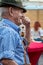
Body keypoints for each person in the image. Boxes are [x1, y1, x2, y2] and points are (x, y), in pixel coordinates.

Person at [0, 0, 31, 65]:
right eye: (21, 12)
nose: (23, 16)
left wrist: (28, 26)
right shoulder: (9, 31)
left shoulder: (9, 29)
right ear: (11, 11)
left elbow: (26, 44)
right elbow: (7, 61)